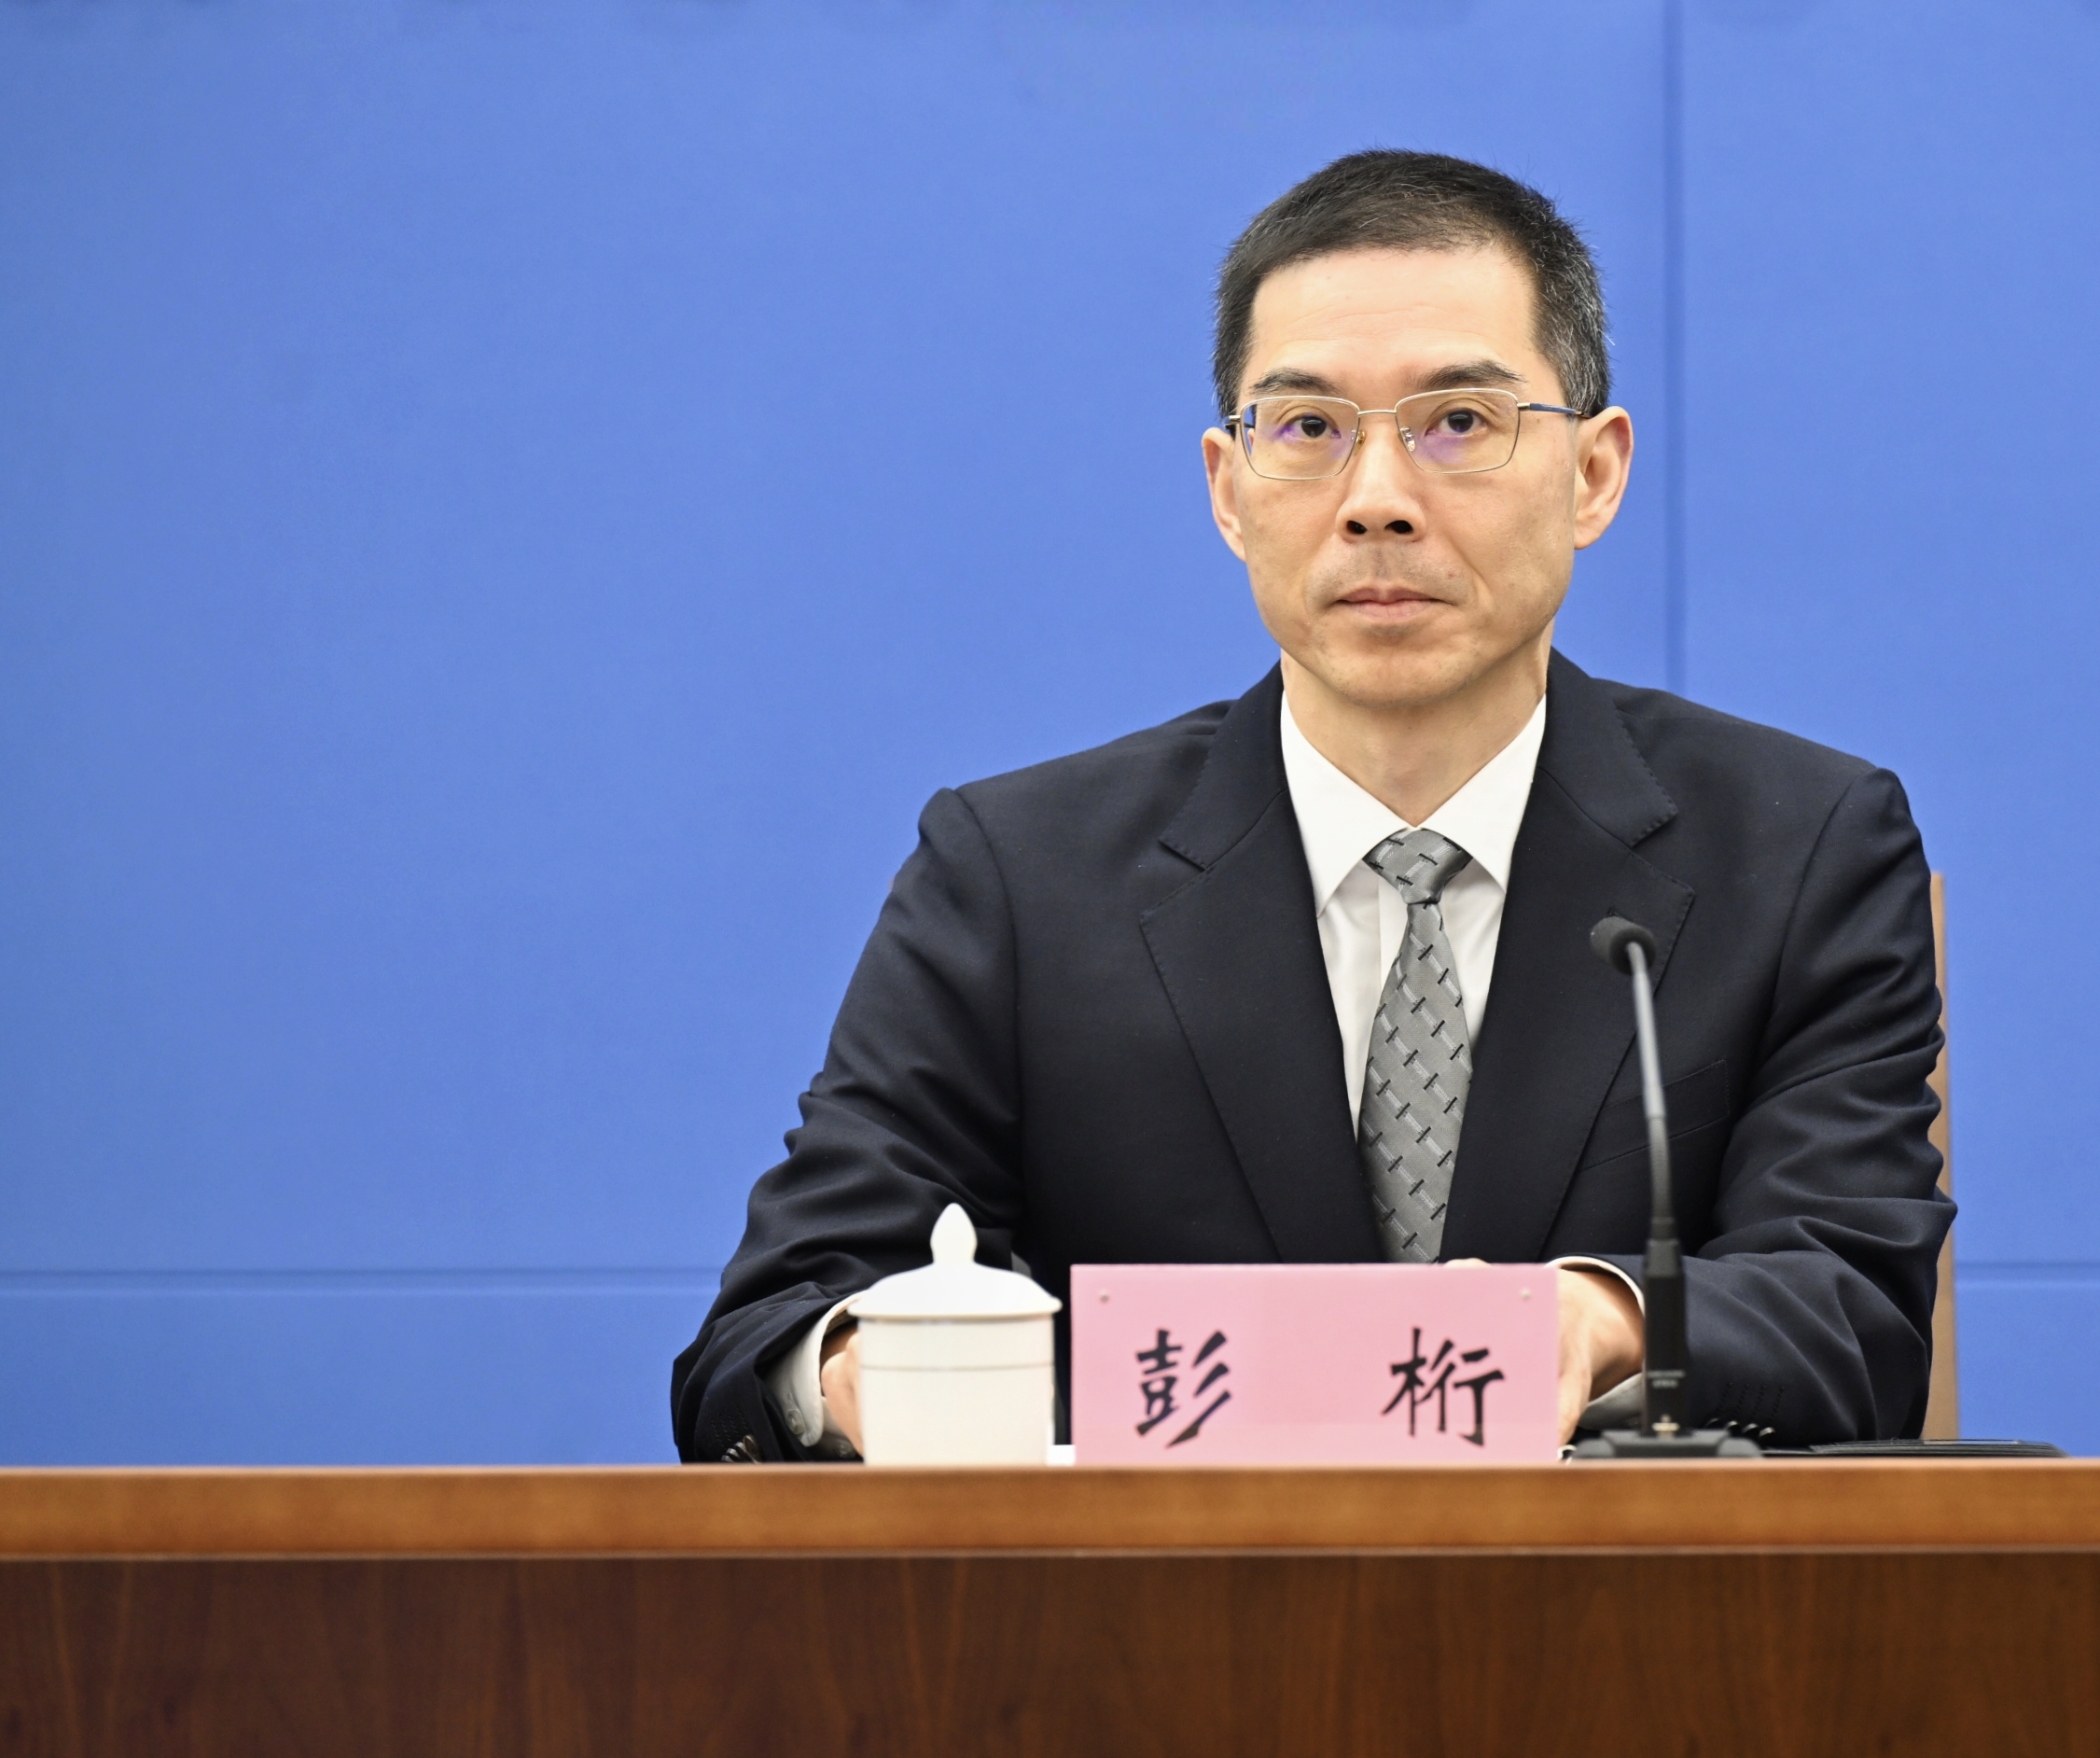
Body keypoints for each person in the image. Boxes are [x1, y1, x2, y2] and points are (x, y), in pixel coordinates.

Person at [673, 150, 1951, 1463]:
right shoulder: (1016, 877)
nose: (1378, 502)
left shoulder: (1800, 848)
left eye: (1459, 421)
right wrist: (860, 1373)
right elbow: (772, 1331)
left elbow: (1853, 1311)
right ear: (1229, 489)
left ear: (1594, 474)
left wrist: (1603, 1320)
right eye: (1307, 430)